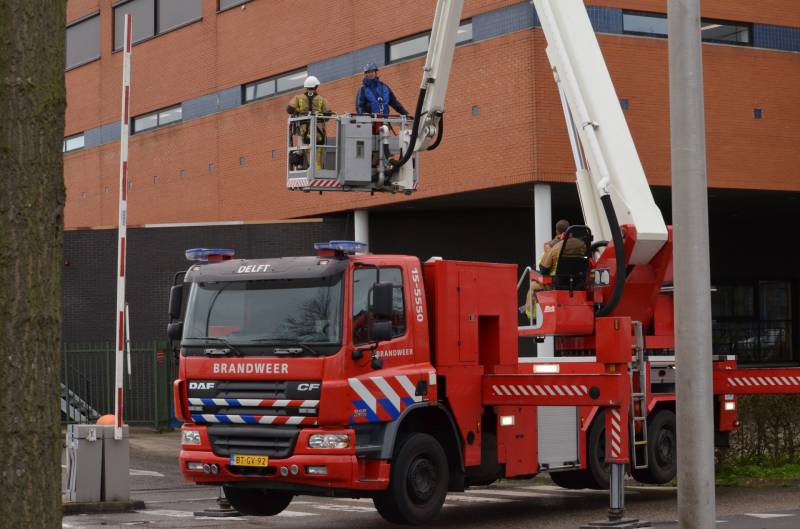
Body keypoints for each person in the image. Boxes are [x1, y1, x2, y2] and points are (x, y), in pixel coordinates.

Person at [523, 220, 587, 320]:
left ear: (557, 232)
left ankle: (532, 316)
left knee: (533, 286)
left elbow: (544, 269)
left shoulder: (556, 247)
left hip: (556, 285)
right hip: (576, 284)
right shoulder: (582, 245)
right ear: (571, 232)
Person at [287, 75, 330, 170]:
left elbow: (289, 109)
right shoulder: (322, 99)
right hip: (319, 132)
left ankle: (301, 166)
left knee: (303, 149)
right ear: (316, 86)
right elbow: (328, 114)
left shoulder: (298, 98)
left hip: (303, 131)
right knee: (318, 152)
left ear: (306, 87)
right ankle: (317, 172)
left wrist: (300, 112)